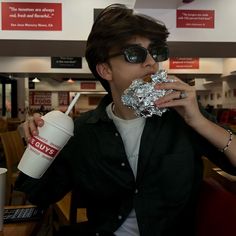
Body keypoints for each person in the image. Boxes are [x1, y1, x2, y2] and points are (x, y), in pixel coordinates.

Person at [15, 4, 236, 236]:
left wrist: (200, 122)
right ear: (105, 70)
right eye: (135, 54)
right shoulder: (82, 133)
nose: (151, 62)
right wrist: (38, 147)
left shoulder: (181, 117)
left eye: (156, 52)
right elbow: (38, 195)